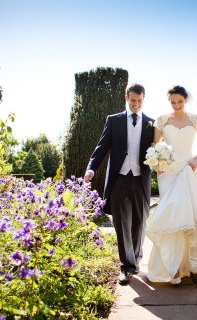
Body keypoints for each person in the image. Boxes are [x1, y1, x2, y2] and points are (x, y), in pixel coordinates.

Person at [146, 85, 197, 285]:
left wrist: (195, 160)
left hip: (188, 170)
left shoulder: (196, 119)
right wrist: (158, 164)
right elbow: (156, 147)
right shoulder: (162, 120)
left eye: (180, 101)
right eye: (173, 102)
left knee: (187, 216)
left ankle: (184, 267)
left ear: (186, 100)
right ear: (168, 101)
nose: (176, 105)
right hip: (168, 173)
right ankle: (170, 267)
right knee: (171, 215)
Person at [84, 83, 154, 286]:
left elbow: (157, 151)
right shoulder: (113, 121)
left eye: (140, 101)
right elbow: (102, 146)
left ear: (144, 99)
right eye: (133, 100)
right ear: (126, 98)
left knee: (140, 223)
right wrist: (91, 167)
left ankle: (136, 259)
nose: (136, 104)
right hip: (120, 179)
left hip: (141, 179)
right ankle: (127, 266)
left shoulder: (151, 123)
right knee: (122, 225)